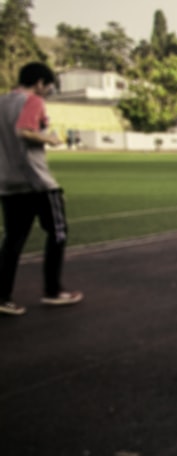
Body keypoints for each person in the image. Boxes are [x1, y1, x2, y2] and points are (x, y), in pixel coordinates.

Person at [0, 62, 83, 316]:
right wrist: (50, 138)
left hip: (7, 181)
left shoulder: (2, 102)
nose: (47, 92)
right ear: (38, 83)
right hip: (36, 180)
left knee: (13, 239)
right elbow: (24, 131)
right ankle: (53, 291)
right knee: (58, 232)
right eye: (48, 86)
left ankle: (2, 297)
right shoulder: (33, 101)